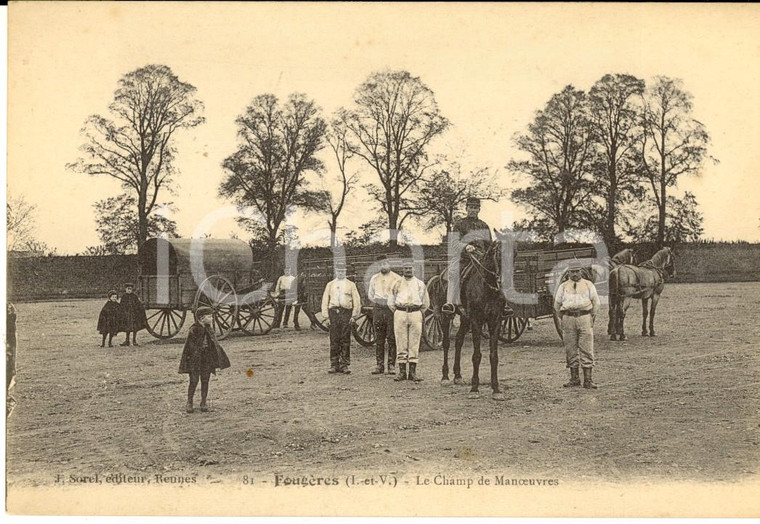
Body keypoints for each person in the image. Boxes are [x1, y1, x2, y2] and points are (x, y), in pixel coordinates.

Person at [553, 259, 601, 389]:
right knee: (570, 348)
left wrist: (591, 316)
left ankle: (588, 380)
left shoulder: (588, 284)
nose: (575, 274)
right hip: (568, 319)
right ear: (568, 272)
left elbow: (596, 303)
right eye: (572, 272)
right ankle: (574, 379)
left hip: (584, 317)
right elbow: (557, 304)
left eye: (577, 271)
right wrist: (563, 317)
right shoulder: (563, 286)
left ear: (581, 271)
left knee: (587, 348)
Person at [443, 197, 492, 316]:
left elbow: (489, 245)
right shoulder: (459, 224)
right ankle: (450, 303)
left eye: (476, 208)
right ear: (466, 208)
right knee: (453, 272)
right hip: (463, 258)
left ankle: (502, 304)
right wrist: (465, 247)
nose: (473, 210)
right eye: (471, 207)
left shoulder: (484, 225)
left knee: (496, 273)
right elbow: (454, 243)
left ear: (479, 209)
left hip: (481, 259)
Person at [178, 306, 231, 413]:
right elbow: (190, 348)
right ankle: (189, 402)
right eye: (209, 317)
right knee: (194, 381)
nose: (212, 319)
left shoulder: (209, 329)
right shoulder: (194, 330)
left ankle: (203, 402)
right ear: (202, 318)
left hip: (206, 359)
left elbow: (214, 344)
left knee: (205, 380)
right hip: (195, 360)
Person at [389, 261, 430, 382]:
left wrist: (417, 311)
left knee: (414, 342)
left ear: (414, 269)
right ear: (402, 269)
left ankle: (413, 372)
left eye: (410, 268)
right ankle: (402, 372)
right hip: (400, 313)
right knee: (401, 341)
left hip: (416, 313)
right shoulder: (396, 283)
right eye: (406, 268)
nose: (408, 270)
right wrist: (399, 311)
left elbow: (426, 302)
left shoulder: (420, 284)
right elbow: (391, 301)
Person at [320, 261, 361, 374]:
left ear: (346, 272)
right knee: (334, 339)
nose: (341, 273)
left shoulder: (351, 284)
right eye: (338, 271)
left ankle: (344, 365)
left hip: (346, 313)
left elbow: (357, 301)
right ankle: (334, 364)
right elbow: (325, 301)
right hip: (333, 313)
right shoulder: (330, 284)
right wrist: (326, 317)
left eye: (343, 271)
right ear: (335, 272)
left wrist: (354, 316)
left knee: (345, 339)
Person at [367, 254, 401, 375]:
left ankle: (391, 365)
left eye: (385, 263)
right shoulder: (374, 278)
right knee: (379, 338)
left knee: (391, 337)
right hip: (378, 309)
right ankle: (379, 365)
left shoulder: (397, 278)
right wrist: (378, 302)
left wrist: (391, 304)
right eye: (381, 264)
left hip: (390, 309)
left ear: (389, 264)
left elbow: (399, 294)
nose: (383, 266)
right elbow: (370, 294)